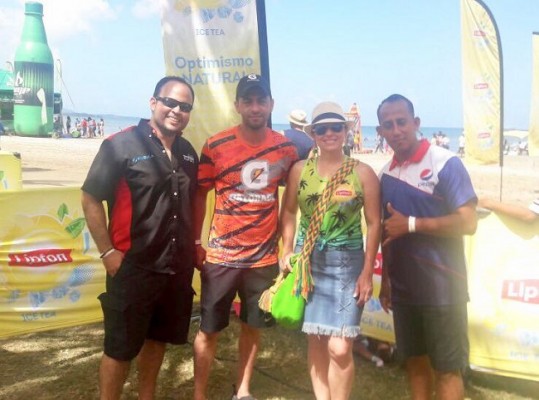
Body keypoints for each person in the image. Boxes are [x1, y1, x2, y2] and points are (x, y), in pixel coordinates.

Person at [81, 76, 198, 400]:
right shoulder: (120, 145)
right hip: (132, 267)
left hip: (174, 269)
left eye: (185, 106)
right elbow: (90, 198)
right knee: (119, 349)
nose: (177, 110)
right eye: (170, 102)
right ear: (153, 102)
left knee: (157, 339)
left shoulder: (188, 154)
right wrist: (107, 253)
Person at [193, 74, 298, 400]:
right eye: (248, 101)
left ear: (271, 104)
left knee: (252, 328)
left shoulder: (286, 149)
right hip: (222, 257)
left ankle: (243, 391)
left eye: (261, 100)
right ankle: (199, 395)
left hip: (263, 260)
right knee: (208, 331)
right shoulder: (215, 145)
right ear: (237, 105)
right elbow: (200, 194)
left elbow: (291, 205)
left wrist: (288, 247)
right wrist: (198, 242)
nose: (255, 107)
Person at [377, 94, 477, 400]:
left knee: (447, 369)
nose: (396, 130)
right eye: (388, 125)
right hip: (405, 291)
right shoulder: (385, 174)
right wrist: (387, 283)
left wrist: (412, 224)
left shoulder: (446, 163)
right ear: (380, 132)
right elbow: (387, 233)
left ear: (416, 123)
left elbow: (468, 222)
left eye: (402, 122)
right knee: (415, 362)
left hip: (444, 289)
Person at [280, 101, 381, 399]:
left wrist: (366, 273)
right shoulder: (299, 170)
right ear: (313, 134)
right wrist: (287, 249)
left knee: (339, 346)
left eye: (336, 127)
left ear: (346, 131)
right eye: (321, 129)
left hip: (346, 265)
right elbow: (288, 212)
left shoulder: (363, 173)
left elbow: (375, 224)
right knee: (315, 337)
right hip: (308, 261)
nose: (329, 133)